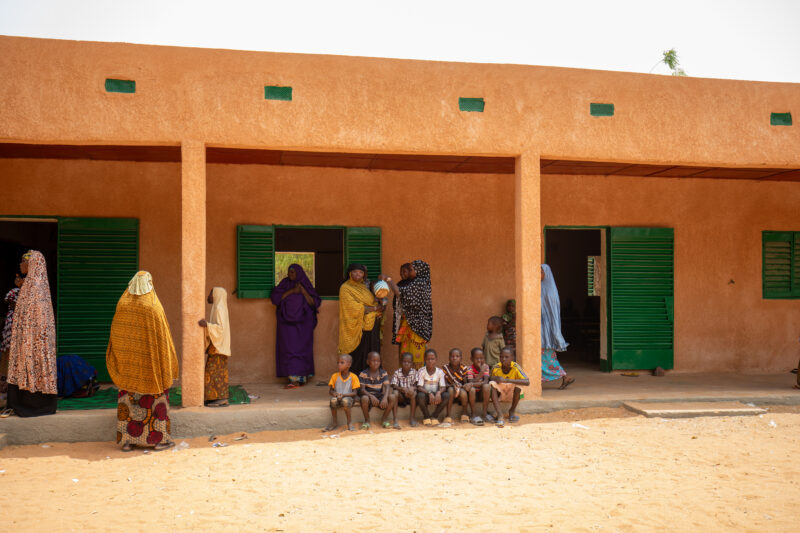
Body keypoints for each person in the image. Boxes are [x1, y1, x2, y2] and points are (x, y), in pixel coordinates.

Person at [106, 271, 179, 451]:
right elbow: (163, 337)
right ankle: (159, 441)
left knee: (129, 402)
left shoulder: (123, 304)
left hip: (129, 367)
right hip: (151, 369)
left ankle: (128, 442)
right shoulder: (153, 306)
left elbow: (115, 333)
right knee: (155, 402)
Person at [5, 251, 57, 418]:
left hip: (34, 340)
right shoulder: (28, 285)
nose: (21, 264)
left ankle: (34, 403)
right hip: (26, 339)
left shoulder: (37, 288)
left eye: (23, 261)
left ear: (33, 264)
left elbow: (38, 318)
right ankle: (19, 402)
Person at [271, 264, 322, 388]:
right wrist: (292, 291)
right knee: (289, 349)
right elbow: (276, 299)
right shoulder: (284, 284)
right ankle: (292, 379)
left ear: (299, 272)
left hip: (304, 325)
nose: (290, 274)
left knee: (302, 349)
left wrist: (303, 291)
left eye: (293, 272)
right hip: (286, 325)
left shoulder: (306, 284)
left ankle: (301, 377)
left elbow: (314, 303)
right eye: (289, 272)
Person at [384, 259, 432, 369]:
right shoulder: (412, 283)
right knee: (405, 354)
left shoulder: (420, 283)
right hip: (407, 323)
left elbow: (400, 293)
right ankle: (405, 376)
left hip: (417, 326)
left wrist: (387, 279)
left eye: (411, 269)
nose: (409, 272)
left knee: (416, 355)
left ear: (419, 270)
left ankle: (416, 377)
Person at [338, 263, 381, 375]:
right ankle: (355, 378)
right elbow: (353, 308)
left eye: (361, 272)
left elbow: (372, 302)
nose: (358, 274)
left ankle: (368, 378)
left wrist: (377, 307)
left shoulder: (363, 287)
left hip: (370, 326)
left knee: (369, 352)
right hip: (354, 328)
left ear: (364, 275)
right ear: (350, 273)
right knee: (357, 354)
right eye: (355, 272)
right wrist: (374, 308)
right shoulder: (345, 288)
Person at [541, 264, 575, 389]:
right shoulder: (541, 288)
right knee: (545, 357)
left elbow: (552, 314)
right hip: (541, 329)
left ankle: (565, 376)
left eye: (541, 272)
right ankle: (565, 377)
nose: (538, 275)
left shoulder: (550, 292)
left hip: (547, 330)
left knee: (546, 356)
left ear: (546, 274)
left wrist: (552, 331)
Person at [199, 287, 231, 406]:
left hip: (218, 347)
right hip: (218, 345)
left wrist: (207, 325)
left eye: (211, 293)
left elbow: (220, 329)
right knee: (216, 372)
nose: (208, 296)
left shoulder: (219, 309)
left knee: (213, 372)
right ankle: (214, 398)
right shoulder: (218, 308)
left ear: (216, 295)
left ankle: (219, 398)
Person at [489, 347, 530, 427]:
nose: (503, 359)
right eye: (501, 357)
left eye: (507, 357)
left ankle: (512, 411)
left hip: (512, 394)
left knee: (519, 386)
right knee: (491, 383)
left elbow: (527, 381)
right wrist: (495, 378)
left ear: (512, 358)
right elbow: (489, 378)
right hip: (500, 394)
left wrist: (507, 380)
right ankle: (500, 415)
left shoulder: (515, 367)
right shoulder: (496, 367)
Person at [0, 272, 24, 409]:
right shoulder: (15, 292)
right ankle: (5, 391)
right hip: (10, 335)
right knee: (7, 362)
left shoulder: (24, 293)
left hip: (15, 335)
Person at [358, 351, 395, 429]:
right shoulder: (363, 374)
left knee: (392, 397)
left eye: (378, 361)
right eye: (373, 361)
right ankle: (367, 420)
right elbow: (362, 390)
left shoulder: (383, 373)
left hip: (379, 396)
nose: (376, 363)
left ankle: (384, 419)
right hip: (369, 397)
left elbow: (387, 387)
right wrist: (371, 396)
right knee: (364, 398)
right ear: (368, 362)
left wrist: (385, 398)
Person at [324, 354, 360, 432]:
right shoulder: (334, 376)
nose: (339, 364)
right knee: (333, 400)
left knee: (346, 401)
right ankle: (334, 423)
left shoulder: (353, 377)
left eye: (342, 362)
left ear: (349, 365)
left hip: (349, 399)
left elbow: (354, 393)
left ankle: (349, 423)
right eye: (338, 362)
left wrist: (343, 395)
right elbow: (331, 391)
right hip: (338, 398)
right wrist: (335, 394)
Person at [415, 348, 449, 425]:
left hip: (436, 396)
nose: (430, 361)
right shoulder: (421, 371)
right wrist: (429, 393)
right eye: (428, 359)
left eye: (432, 359)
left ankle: (434, 416)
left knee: (446, 395)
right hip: (426, 395)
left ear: (436, 360)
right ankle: (426, 416)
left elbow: (443, 387)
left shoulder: (440, 372)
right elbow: (419, 387)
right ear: (424, 360)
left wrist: (439, 393)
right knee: (420, 396)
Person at [390, 351, 418, 427]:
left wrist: (412, 388)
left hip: (410, 395)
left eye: (409, 362)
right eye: (404, 362)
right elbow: (393, 385)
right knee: (395, 393)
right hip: (401, 397)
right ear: (401, 362)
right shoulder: (397, 372)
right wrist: (401, 388)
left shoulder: (414, 372)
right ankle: (395, 419)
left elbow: (417, 385)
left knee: (414, 393)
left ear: (412, 363)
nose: (406, 364)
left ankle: (412, 418)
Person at [391, 263, 412, 364]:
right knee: (403, 347)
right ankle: (403, 369)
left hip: (411, 323)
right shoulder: (400, 284)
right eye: (400, 272)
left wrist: (388, 280)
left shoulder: (413, 285)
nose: (402, 274)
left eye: (404, 271)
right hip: (401, 321)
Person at [465, 347, 492, 425]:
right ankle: (473, 414)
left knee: (487, 386)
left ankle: (484, 413)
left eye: (481, 358)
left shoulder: (485, 366)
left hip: (482, 393)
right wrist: (481, 373)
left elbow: (486, 381)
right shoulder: (470, 369)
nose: (479, 360)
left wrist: (472, 384)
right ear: (471, 359)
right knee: (472, 389)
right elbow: (470, 382)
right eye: (476, 358)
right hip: (473, 395)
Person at [442, 348, 469, 424]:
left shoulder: (464, 368)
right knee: (451, 390)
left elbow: (465, 382)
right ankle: (448, 415)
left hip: (460, 388)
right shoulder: (445, 368)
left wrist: (459, 387)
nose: (454, 358)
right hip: (449, 389)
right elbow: (444, 383)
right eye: (452, 356)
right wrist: (452, 385)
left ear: (461, 358)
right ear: (449, 358)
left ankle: (464, 413)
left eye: (457, 356)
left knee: (463, 393)